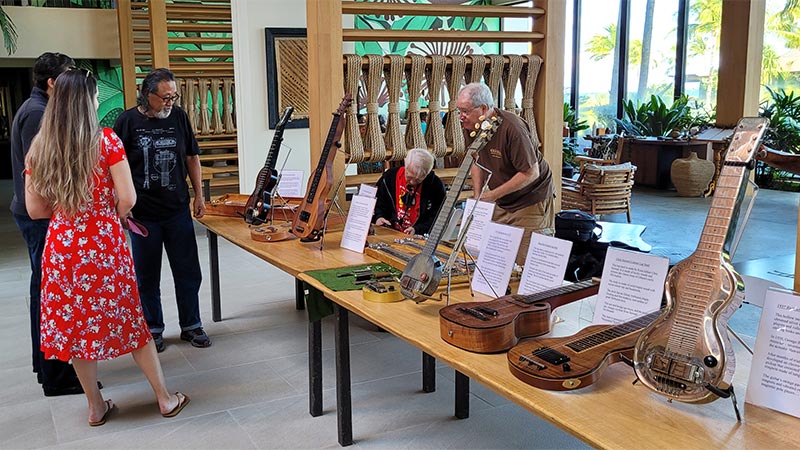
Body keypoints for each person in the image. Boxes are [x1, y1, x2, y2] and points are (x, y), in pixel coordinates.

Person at [24, 68, 189, 426]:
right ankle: (164, 398)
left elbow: (35, 209)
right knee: (131, 319)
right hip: (103, 243)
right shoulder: (107, 142)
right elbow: (127, 198)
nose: (99, 101)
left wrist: (70, 211)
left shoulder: (40, 147)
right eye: (96, 96)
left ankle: (96, 407)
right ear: (87, 102)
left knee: (76, 328)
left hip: (62, 246)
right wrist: (100, 212)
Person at [113, 68, 211, 353]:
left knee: (188, 270)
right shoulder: (127, 121)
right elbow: (114, 168)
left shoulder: (179, 117)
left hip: (177, 209)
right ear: (148, 94)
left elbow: (192, 156)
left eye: (173, 97)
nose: (170, 103)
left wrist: (199, 196)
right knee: (146, 274)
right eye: (165, 98)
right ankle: (153, 329)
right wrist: (121, 206)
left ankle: (191, 325)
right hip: (142, 214)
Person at [10, 52, 89, 397]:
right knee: (49, 296)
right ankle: (54, 373)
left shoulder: (39, 109)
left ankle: (48, 367)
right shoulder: (39, 114)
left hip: (39, 214)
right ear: (53, 83)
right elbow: (41, 174)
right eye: (68, 77)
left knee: (47, 293)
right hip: (38, 216)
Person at [456, 82, 555, 266]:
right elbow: (476, 158)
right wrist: (479, 196)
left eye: (465, 111)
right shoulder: (472, 125)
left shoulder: (512, 128)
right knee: (496, 258)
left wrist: (492, 195)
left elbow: (531, 173)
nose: (461, 117)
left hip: (530, 198)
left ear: (484, 108)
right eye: (459, 111)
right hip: (502, 198)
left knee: (526, 261)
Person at [373, 148, 446, 235]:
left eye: (418, 179)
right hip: (390, 231)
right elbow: (378, 201)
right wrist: (379, 217)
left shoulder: (435, 185)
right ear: (405, 165)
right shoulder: (389, 178)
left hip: (419, 235)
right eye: (409, 177)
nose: (412, 182)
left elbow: (438, 216)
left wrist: (417, 229)